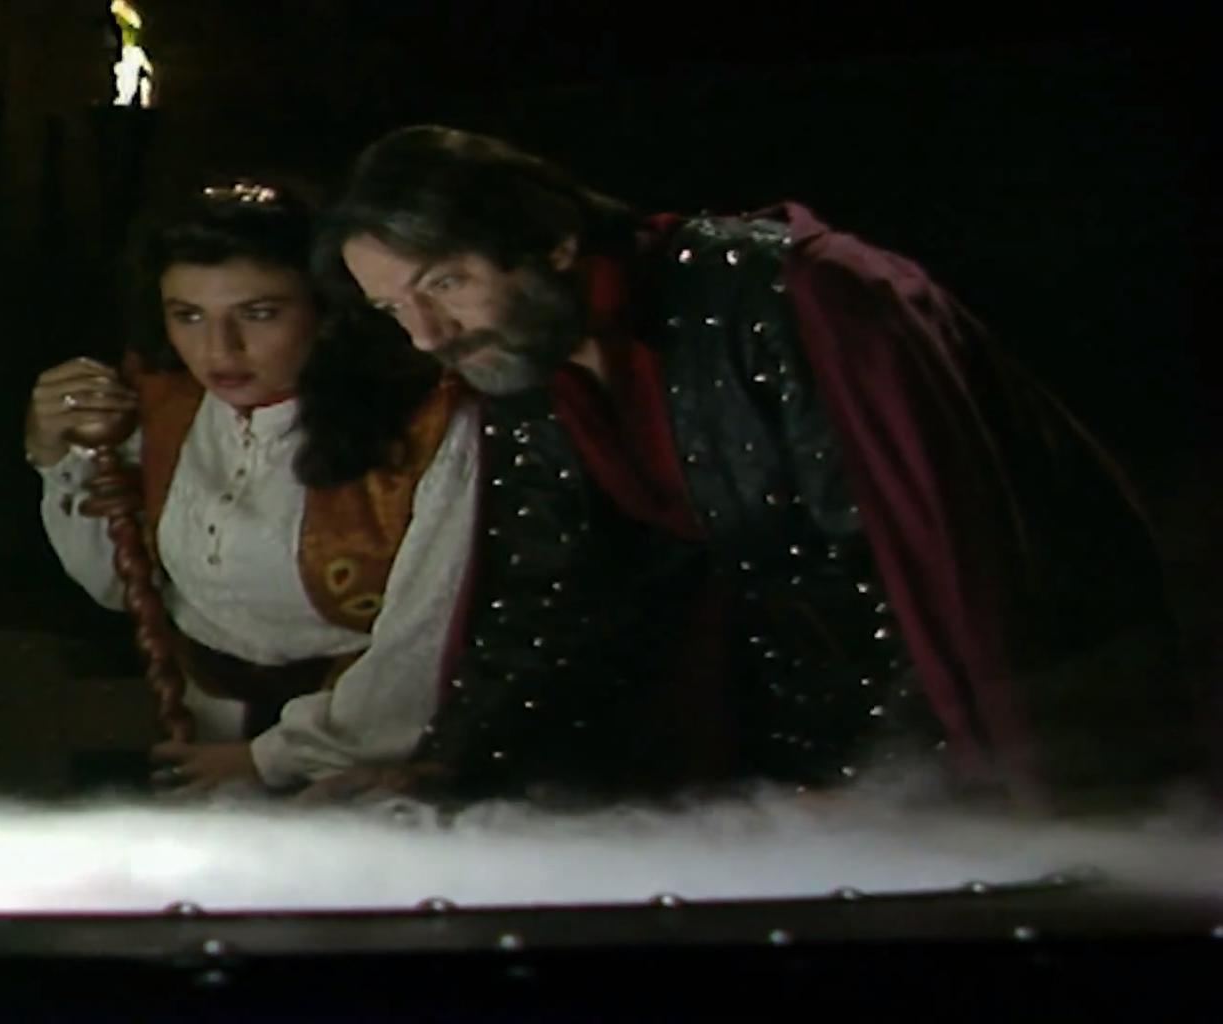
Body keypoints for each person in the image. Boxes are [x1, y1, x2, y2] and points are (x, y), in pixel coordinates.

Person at [309, 125, 1207, 810]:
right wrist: (454, 767)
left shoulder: (797, 299)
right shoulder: (525, 362)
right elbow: (551, 588)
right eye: (393, 309)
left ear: (552, 241)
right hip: (810, 729)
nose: (426, 335)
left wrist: (889, 786)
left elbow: (911, 570)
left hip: (1029, 714)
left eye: (445, 283)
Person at [25, 182, 478, 795]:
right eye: (188, 316)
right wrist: (58, 455)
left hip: (369, 756)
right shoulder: (166, 402)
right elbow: (118, 587)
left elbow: (423, 641)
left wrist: (272, 758)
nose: (220, 349)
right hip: (204, 729)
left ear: (325, 309)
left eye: (259, 313)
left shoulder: (426, 425)